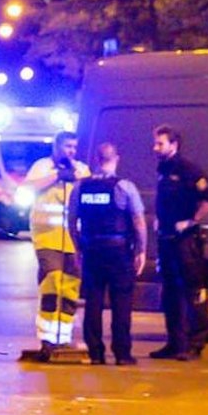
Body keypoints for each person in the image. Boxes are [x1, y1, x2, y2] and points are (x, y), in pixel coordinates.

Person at [71, 141, 147, 365]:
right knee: (121, 302)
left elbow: (71, 220)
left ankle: (96, 353)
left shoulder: (80, 187)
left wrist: (78, 248)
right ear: (116, 158)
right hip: (118, 251)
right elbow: (138, 222)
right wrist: (141, 251)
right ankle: (122, 353)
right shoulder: (124, 187)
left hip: (92, 251)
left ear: (96, 159)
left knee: (93, 302)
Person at [150, 125, 208, 361]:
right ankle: (175, 342)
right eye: (156, 143)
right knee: (170, 292)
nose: (155, 147)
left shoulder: (188, 169)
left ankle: (194, 343)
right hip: (167, 238)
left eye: (160, 143)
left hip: (185, 240)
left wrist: (191, 221)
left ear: (174, 144)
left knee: (193, 291)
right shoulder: (163, 169)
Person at [22, 131, 88, 363]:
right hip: (47, 237)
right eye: (67, 146)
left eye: (74, 147)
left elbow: (87, 190)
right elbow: (29, 186)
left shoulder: (81, 168)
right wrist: (57, 175)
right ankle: (47, 339)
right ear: (57, 146)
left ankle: (63, 336)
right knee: (52, 281)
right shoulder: (43, 166)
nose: (71, 151)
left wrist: (77, 177)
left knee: (70, 286)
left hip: (73, 239)